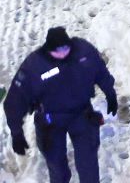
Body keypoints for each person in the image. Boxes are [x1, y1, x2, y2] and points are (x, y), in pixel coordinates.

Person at [4, 27, 119, 183]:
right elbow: (14, 101)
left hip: (82, 114)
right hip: (50, 122)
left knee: (88, 165)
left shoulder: (83, 50)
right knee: (57, 170)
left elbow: (100, 71)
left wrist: (110, 93)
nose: (63, 53)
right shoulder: (34, 65)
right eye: (57, 51)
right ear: (48, 49)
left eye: (66, 48)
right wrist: (16, 133)